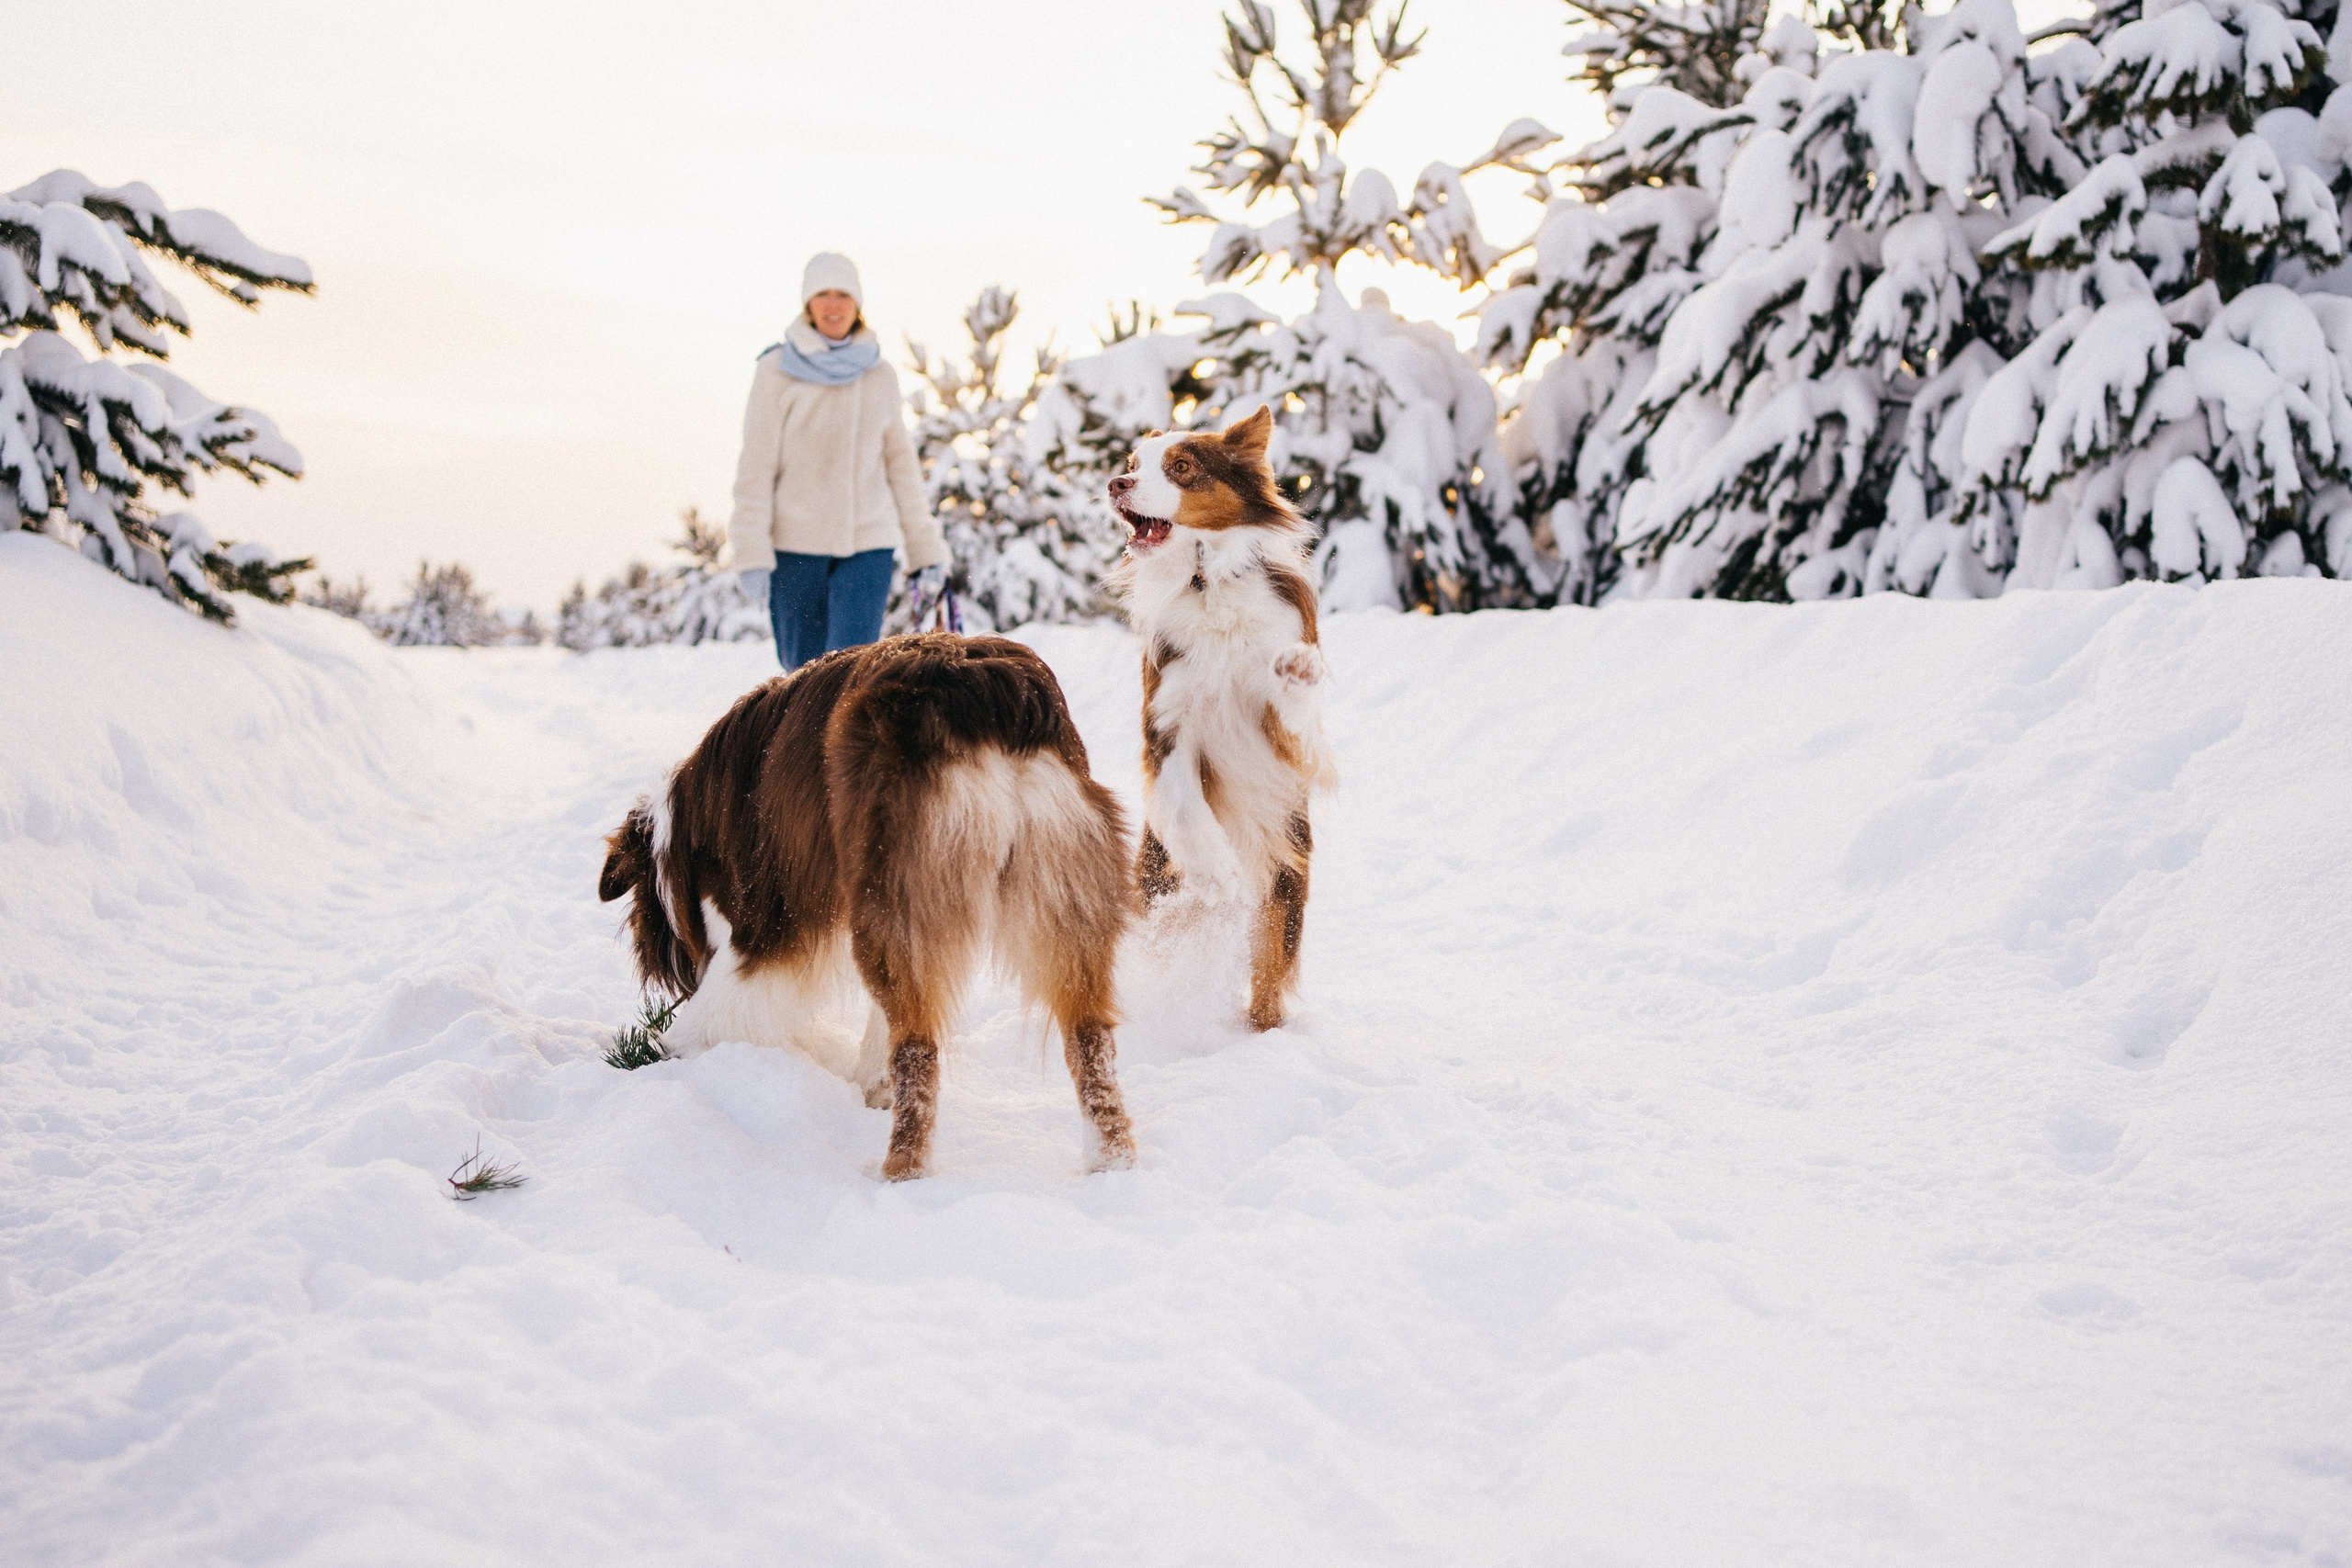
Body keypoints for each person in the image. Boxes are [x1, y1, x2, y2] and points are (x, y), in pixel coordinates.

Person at [728, 252, 949, 670]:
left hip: (868, 547)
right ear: (807, 304)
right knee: (804, 675)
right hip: (795, 548)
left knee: (849, 671)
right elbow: (755, 467)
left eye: (843, 295)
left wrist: (925, 549)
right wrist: (751, 552)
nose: (833, 306)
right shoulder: (777, 369)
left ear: (858, 304)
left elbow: (902, 468)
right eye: (822, 295)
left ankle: (845, 740)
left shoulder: (879, 374)